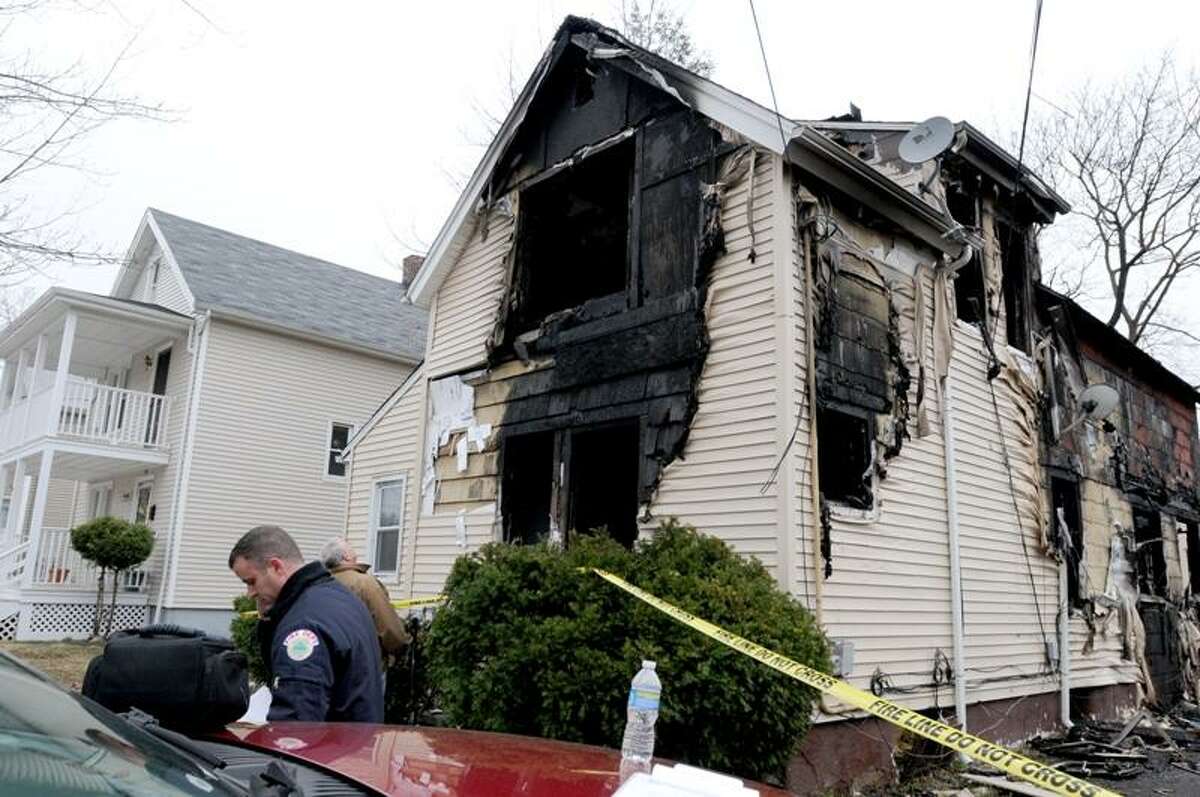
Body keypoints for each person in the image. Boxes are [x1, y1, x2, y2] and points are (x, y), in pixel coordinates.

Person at [228, 525, 383, 722]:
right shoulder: (342, 599)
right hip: (358, 742)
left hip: (328, 750)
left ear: (276, 567)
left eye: (251, 581)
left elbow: (295, 723)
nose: (250, 593)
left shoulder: (302, 626)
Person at [320, 538, 410, 669]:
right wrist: (401, 645)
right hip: (364, 665)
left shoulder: (319, 584)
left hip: (327, 662)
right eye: (350, 547)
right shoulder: (365, 584)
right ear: (346, 556)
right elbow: (388, 627)